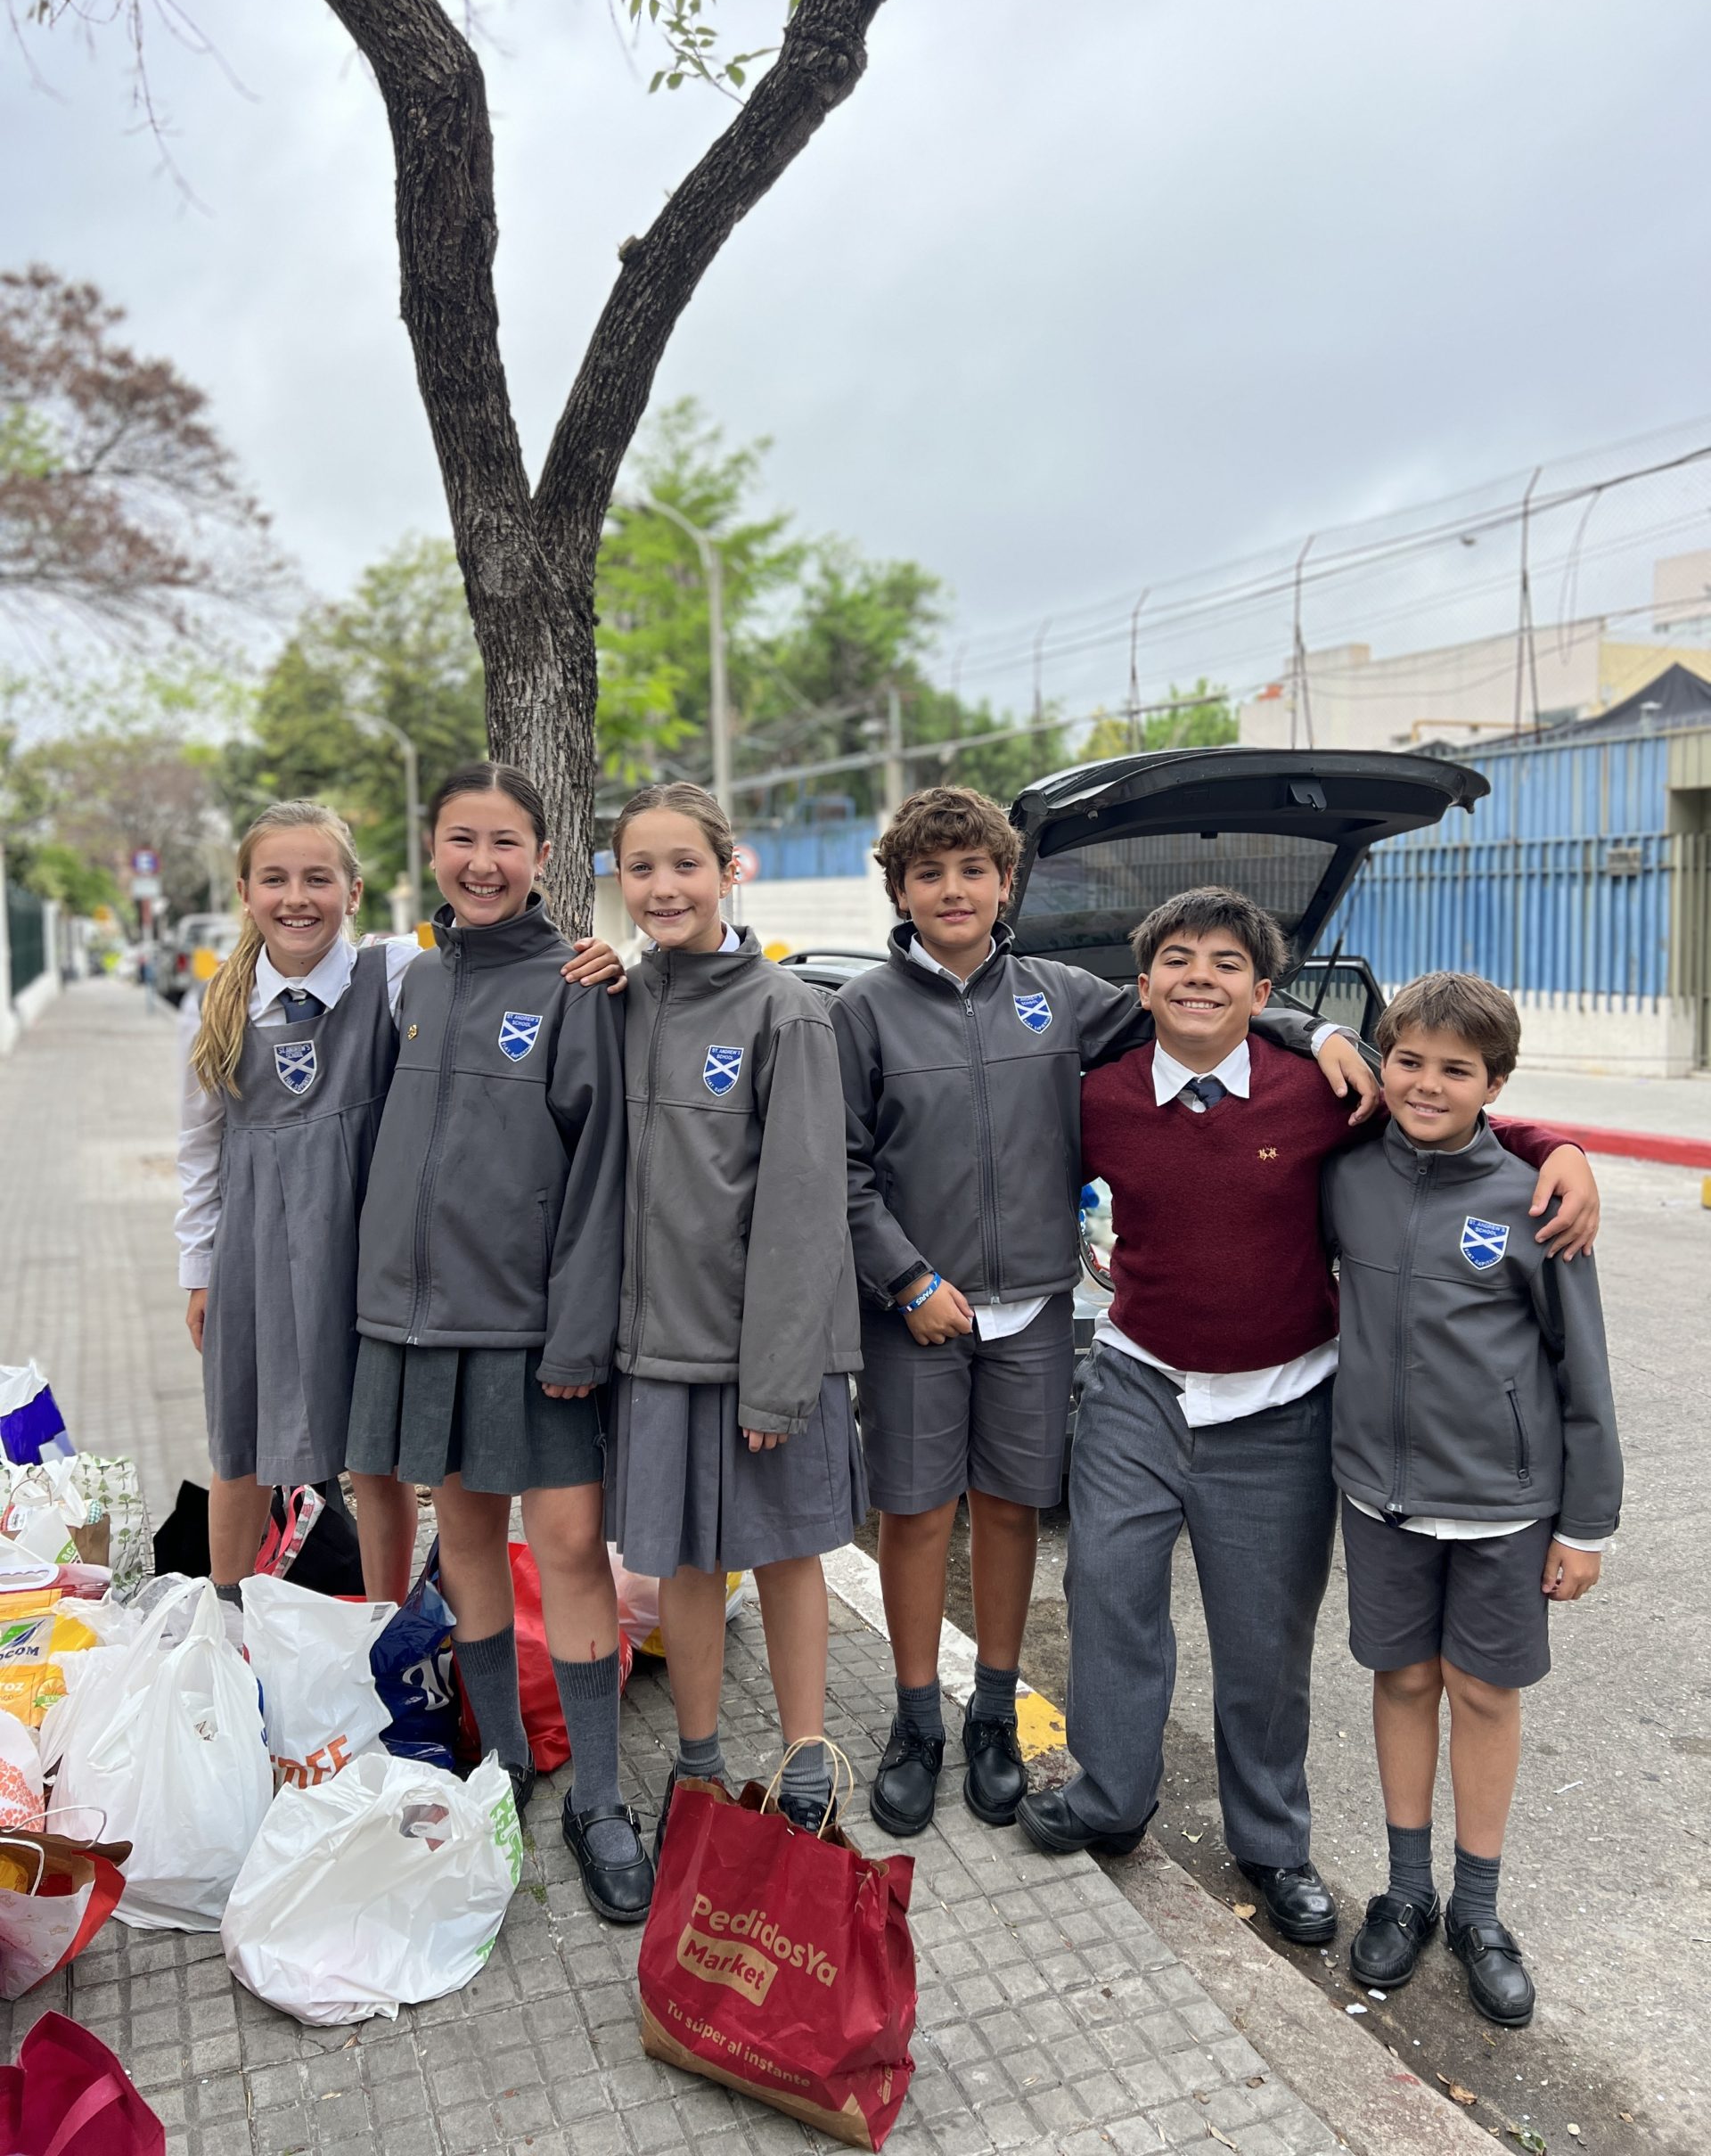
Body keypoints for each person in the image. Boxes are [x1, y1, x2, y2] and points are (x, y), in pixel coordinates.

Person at [1017, 888, 1602, 1955]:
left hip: (1282, 1406)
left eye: (1227, 962)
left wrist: (1553, 1140)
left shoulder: (1323, 1089)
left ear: (1264, 992)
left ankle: (1272, 1842)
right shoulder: (1096, 1096)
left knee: (1264, 1639)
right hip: (1139, 1391)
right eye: (1178, 959)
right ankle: (1110, 1796)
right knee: (1106, 1596)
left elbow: (1447, 1112)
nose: (1200, 976)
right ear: (1141, 986)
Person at [830, 787, 1379, 1839]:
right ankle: (918, 1722)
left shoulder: (1062, 995)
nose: (954, 889)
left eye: (974, 870)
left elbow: (1204, 1012)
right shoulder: (859, 1011)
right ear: (900, 890)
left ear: (1006, 883)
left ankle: (993, 1713)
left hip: (1036, 1312)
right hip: (918, 1314)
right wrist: (905, 1281)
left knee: (1008, 1510)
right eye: (930, 873)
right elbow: (842, 1166)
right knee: (916, 1515)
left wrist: (1318, 1030)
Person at [344, 761, 648, 1922]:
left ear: (542, 857)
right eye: (462, 839)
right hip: (425, 1326)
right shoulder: (414, 977)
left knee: (566, 1546)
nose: (483, 862)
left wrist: (577, 1337)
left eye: (506, 841)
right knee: (465, 1539)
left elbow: (602, 1177)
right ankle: (506, 1760)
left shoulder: (577, 984)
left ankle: (601, 1800)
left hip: (535, 1331)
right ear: (432, 849)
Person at [1323, 972, 1621, 2029]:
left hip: (1505, 1505)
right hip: (1380, 1495)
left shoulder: (1535, 1199)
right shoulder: (1345, 1173)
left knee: (1485, 1694)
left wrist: (1586, 1524)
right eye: (1408, 1059)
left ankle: (1479, 1910)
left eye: (1457, 1069)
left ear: (1495, 1084)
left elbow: (1582, 1369)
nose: (1426, 1083)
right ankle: (1407, 1891)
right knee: (1404, 1680)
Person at [605, 781, 865, 1845]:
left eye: (686, 864)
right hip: (659, 1347)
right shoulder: (618, 1001)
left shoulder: (784, 1010)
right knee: (686, 1563)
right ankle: (700, 1761)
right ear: (619, 881)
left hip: (768, 1351)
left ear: (729, 869)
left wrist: (779, 1377)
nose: (664, 886)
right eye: (642, 867)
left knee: (789, 1554)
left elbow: (805, 1205)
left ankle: (805, 1759)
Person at [176, 800, 421, 1604]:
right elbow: (199, 1151)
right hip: (255, 1250)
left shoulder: (394, 977)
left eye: (318, 878)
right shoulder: (216, 1005)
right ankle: (227, 1623)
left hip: (363, 1247)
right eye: (274, 879)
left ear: (354, 891)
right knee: (241, 1442)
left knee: (374, 1454)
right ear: (245, 892)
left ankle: (383, 1628)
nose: (296, 897)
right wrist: (198, 1271)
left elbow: (493, 971)